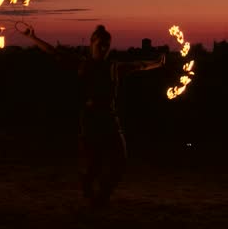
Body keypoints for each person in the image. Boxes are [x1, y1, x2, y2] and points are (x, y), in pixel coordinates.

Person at [19, 24, 166, 208]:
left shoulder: (114, 67)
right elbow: (54, 53)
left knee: (120, 160)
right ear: (92, 44)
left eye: (107, 45)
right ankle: (88, 186)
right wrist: (33, 38)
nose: (104, 48)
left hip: (111, 119)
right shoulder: (83, 65)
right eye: (101, 44)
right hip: (90, 120)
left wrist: (157, 63)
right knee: (93, 165)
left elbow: (139, 66)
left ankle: (102, 196)